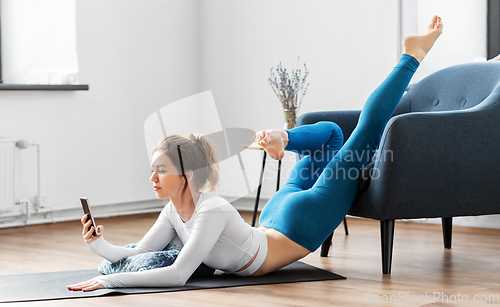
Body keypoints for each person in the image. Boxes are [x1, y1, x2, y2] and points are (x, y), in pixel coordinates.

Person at [68, 15, 443, 291]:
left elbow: (178, 274)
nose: (152, 178)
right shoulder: (177, 210)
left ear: (186, 175)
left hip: (294, 223)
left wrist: (107, 281)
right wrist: (97, 245)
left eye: (160, 171)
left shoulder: (210, 210)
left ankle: (410, 56)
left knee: (362, 132)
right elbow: (136, 252)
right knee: (334, 134)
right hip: (283, 220)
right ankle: (284, 138)